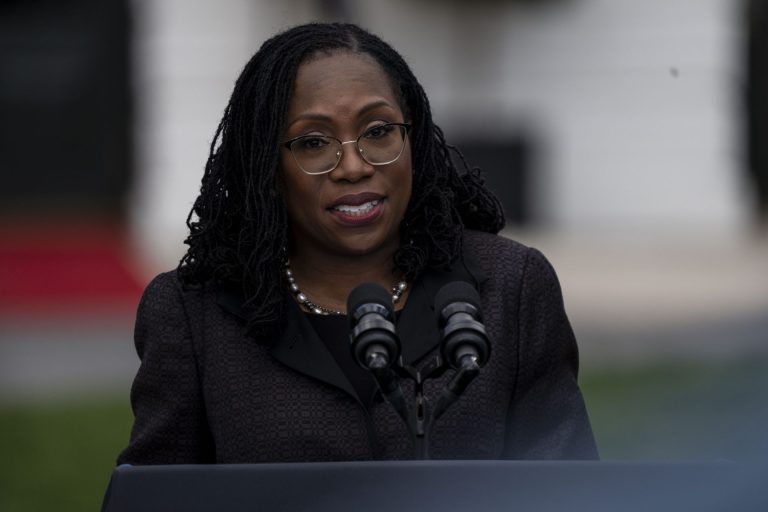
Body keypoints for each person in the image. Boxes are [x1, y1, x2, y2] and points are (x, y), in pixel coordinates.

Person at [117, 22, 597, 464]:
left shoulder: (511, 289)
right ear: (267, 167)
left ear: (414, 139)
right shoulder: (193, 315)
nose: (353, 167)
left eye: (379, 131)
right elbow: (158, 494)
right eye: (313, 142)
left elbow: (570, 491)